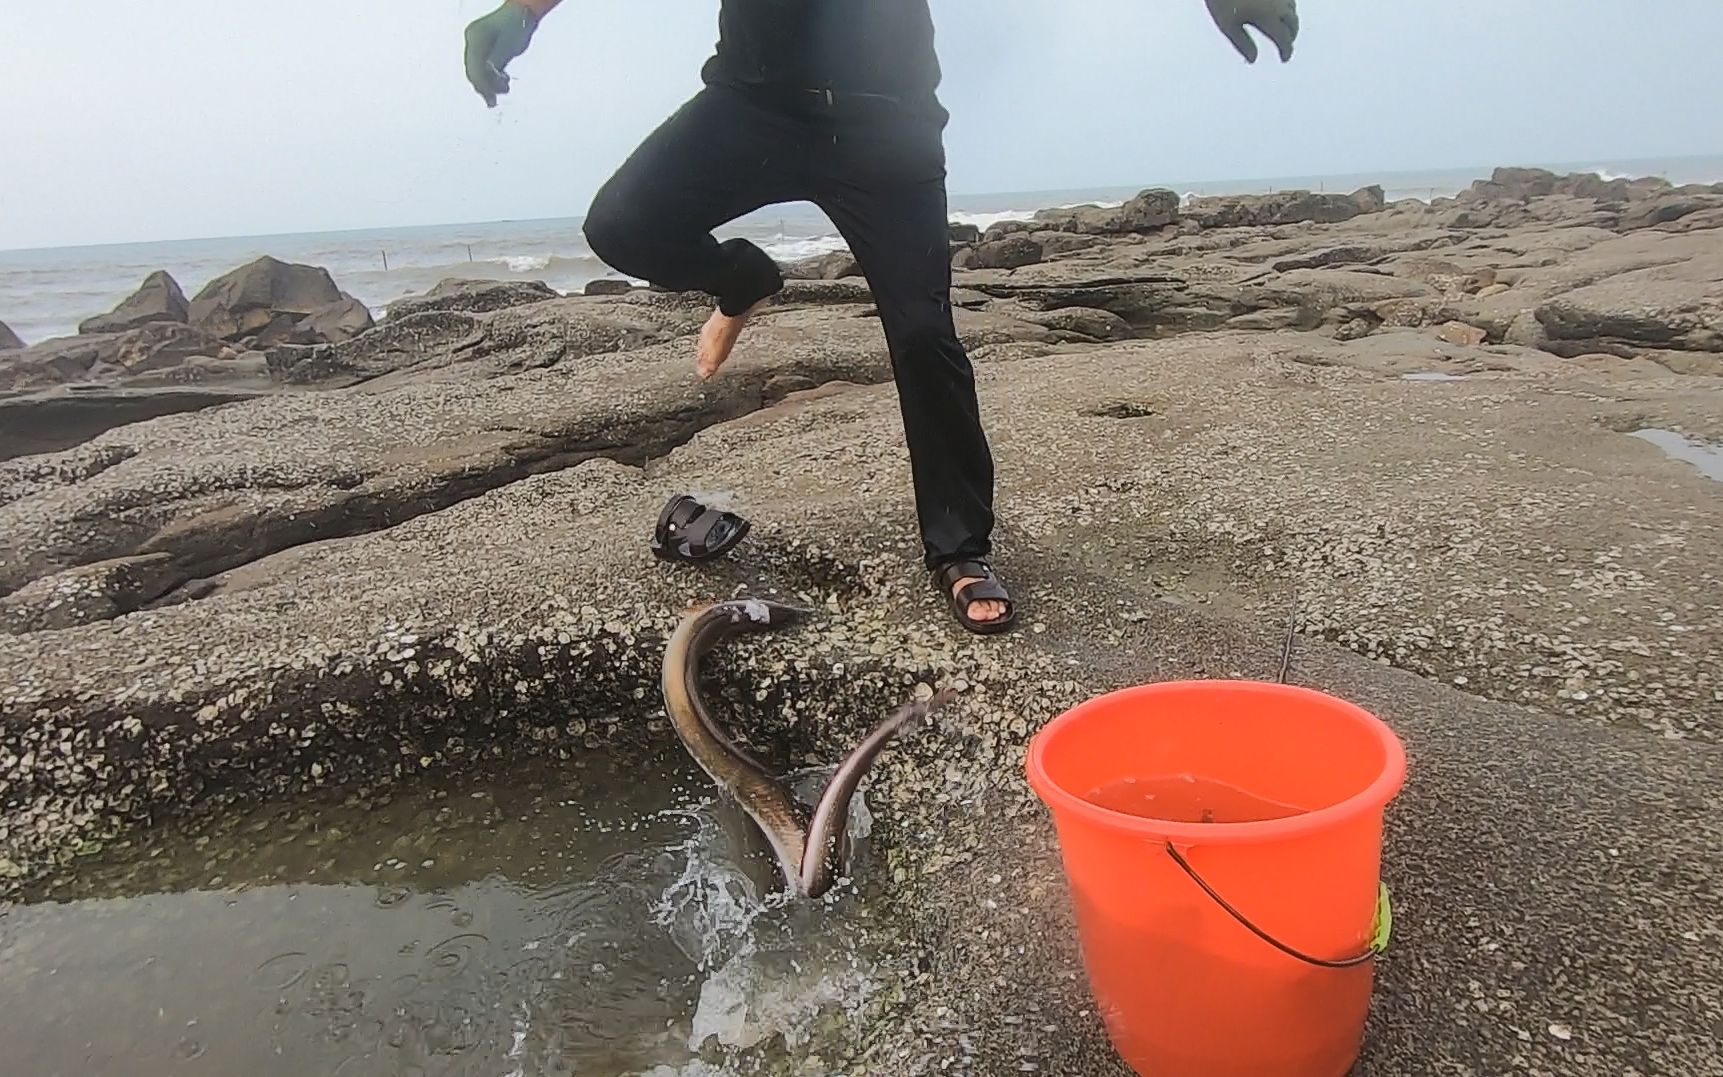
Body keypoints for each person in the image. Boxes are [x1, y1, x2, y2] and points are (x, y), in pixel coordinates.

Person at [462, 0, 1299, 635]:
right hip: (753, 107)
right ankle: (744, 280)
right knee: (621, 226)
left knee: (923, 332)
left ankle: (960, 549)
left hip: (883, 126)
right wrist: (524, 11)